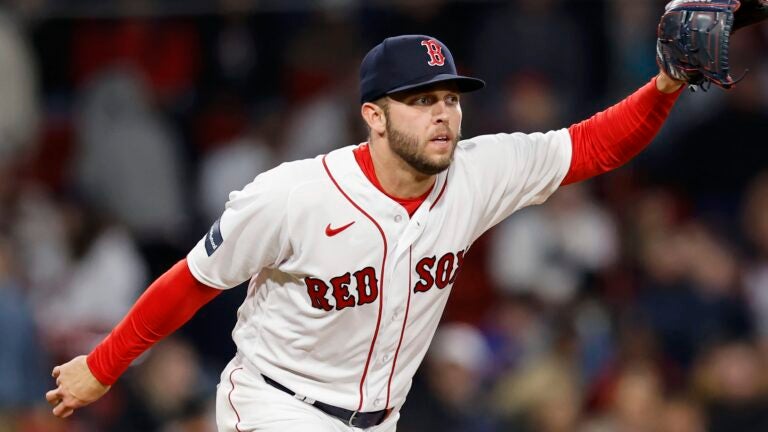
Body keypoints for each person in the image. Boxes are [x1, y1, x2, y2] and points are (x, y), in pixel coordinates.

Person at [46, 33, 685, 431]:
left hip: (383, 417)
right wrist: (102, 369)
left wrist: (668, 81)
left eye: (452, 99)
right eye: (422, 100)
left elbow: (594, 146)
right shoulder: (291, 196)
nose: (443, 115)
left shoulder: (477, 173)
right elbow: (191, 283)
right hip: (275, 406)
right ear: (374, 116)